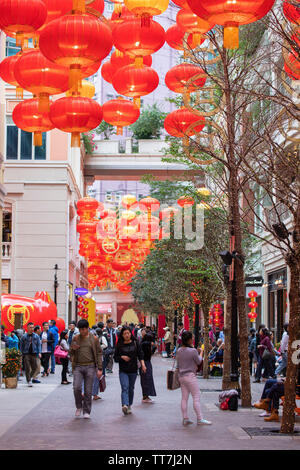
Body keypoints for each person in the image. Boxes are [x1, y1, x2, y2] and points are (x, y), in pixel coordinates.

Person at [176, 331, 211, 426]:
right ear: (189, 339)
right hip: (190, 376)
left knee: (184, 398)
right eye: (192, 337)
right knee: (196, 396)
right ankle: (200, 418)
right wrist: (201, 352)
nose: (193, 339)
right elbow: (199, 361)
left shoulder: (179, 350)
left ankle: (185, 418)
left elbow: (178, 365)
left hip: (181, 376)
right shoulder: (193, 351)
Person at [70, 319, 103, 418]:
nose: (82, 331)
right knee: (76, 387)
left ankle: (86, 411)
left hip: (90, 366)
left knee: (88, 390)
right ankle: (79, 406)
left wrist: (100, 368)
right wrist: (73, 349)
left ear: (87, 328)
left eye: (84, 329)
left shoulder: (94, 339)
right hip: (78, 366)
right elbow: (70, 352)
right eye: (80, 329)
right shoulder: (76, 338)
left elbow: (98, 353)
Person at [114, 326, 146, 415]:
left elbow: (140, 355)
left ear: (130, 334)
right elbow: (115, 358)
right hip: (123, 370)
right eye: (125, 334)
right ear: (122, 335)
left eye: (128, 333)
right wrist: (122, 357)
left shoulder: (135, 343)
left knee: (131, 388)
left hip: (133, 370)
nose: (127, 335)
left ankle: (129, 405)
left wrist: (143, 365)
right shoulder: (119, 344)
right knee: (125, 387)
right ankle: (125, 404)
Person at [20, 322, 41, 387]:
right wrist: (21, 353)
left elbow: (38, 345)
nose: (32, 329)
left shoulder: (36, 336)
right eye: (30, 327)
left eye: (33, 327)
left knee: (35, 368)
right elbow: (21, 345)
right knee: (27, 368)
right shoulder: (24, 336)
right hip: (26, 354)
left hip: (34, 354)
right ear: (27, 328)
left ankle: (30, 377)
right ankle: (29, 380)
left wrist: (39, 352)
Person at [140, 333, 156, 403]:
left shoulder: (142, 344)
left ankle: (145, 395)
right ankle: (145, 396)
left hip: (143, 363)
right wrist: (153, 347)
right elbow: (149, 354)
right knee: (147, 379)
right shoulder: (146, 344)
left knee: (145, 379)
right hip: (146, 363)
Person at [92, 328, 108, 400]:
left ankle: (94, 394)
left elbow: (105, 345)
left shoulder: (102, 338)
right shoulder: (91, 339)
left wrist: (98, 347)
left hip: (98, 359)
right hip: (91, 361)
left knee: (96, 378)